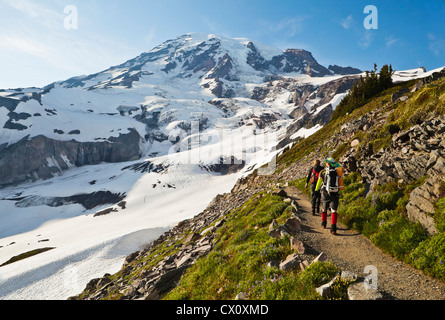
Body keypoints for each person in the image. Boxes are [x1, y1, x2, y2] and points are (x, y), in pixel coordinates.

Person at [315, 157, 344, 235]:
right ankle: (333, 228)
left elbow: (319, 181)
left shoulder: (323, 171)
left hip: (325, 192)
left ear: (327, 163)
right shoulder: (338, 171)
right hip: (335, 192)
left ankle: (324, 223)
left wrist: (316, 189)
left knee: (324, 208)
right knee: (334, 210)